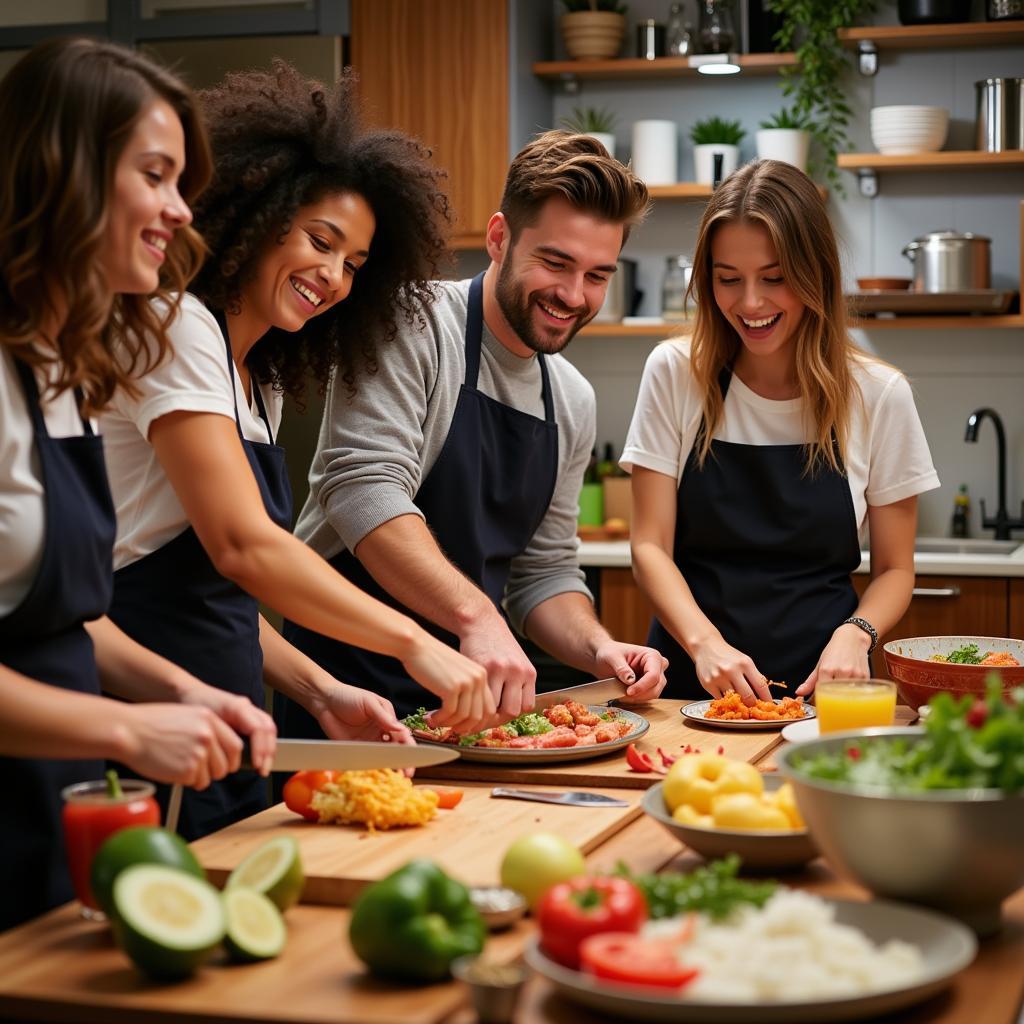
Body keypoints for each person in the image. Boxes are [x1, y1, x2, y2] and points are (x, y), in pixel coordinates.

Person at [100, 62, 488, 840]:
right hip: (144, 726)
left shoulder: (259, 382)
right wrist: (415, 643)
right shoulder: (178, 330)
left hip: (230, 728)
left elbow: (218, 605)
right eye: (321, 241)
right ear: (253, 212)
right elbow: (244, 549)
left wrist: (321, 691)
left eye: (355, 265)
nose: (334, 278)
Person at [0, 38, 277, 931]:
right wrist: (124, 731)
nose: (178, 210)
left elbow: (64, 619)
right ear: (62, 175)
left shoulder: (61, 370)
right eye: (155, 175)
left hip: (55, 814)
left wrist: (179, 692)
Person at [278, 130, 669, 734]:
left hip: (474, 712)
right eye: (555, 262)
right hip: (347, 692)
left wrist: (598, 649)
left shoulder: (570, 399)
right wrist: (477, 615)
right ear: (498, 238)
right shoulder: (409, 321)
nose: (572, 295)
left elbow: (545, 575)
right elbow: (361, 488)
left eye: (597, 275)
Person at [624, 159, 939, 703]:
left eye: (775, 278)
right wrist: (704, 644)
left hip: (825, 689)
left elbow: (895, 569)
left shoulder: (878, 394)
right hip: (689, 687)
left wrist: (855, 634)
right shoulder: (675, 372)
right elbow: (650, 545)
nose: (750, 303)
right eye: (728, 280)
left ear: (816, 272)